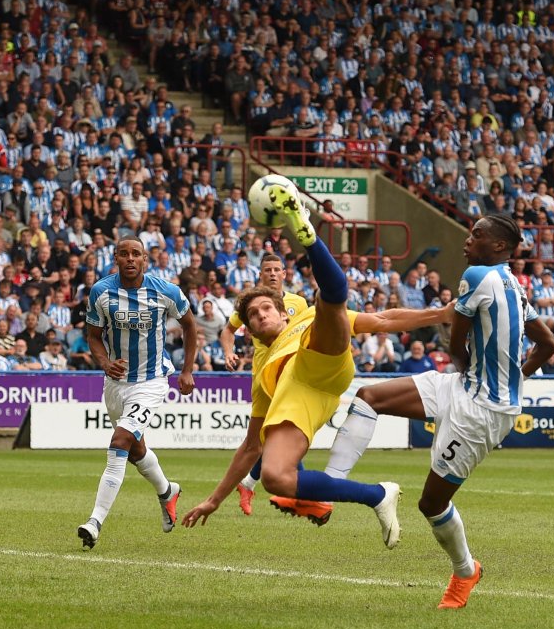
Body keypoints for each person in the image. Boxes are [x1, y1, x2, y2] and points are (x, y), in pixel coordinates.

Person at [180, 184, 450, 551]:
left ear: (280, 309)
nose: (261, 316)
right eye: (253, 316)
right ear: (251, 330)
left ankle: (305, 232)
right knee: (276, 477)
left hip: (322, 358)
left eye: (266, 309)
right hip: (305, 396)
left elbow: (384, 320)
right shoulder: (264, 377)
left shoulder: (304, 318)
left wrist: (440, 313)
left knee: (329, 300)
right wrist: (214, 499)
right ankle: (378, 495)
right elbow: (248, 448)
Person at [321, 214, 554, 609]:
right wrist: (517, 377)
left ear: (499, 246)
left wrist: (486, 375)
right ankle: (326, 489)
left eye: (476, 235)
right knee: (370, 396)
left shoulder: (478, 276)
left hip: (481, 411)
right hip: (464, 388)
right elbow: (548, 343)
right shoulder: (515, 286)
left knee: (431, 504)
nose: (467, 241)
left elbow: (454, 346)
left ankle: (466, 571)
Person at [76, 237, 197, 550]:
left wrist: (186, 370)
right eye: (124, 254)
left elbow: (189, 326)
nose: (130, 259)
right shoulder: (101, 291)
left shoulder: (166, 291)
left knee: (119, 442)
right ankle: (167, 490)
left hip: (151, 381)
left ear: (146, 259)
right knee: (135, 449)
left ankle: (95, 521)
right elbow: (92, 335)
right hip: (116, 385)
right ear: (115, 257)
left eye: (136, 254)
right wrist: (104, 362)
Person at [218, 253, 309, 515]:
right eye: (267, 269)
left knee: (281, 433)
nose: (272, 273)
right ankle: (296, 494)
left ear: (284, 274)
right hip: (265, 377)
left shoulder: (298, 303)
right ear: (261, 274)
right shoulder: (253, 305)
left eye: (276, 269)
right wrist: (228, 352)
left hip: (292, 374)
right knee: (283, 432)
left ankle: (251, 483)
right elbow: (227, 332)